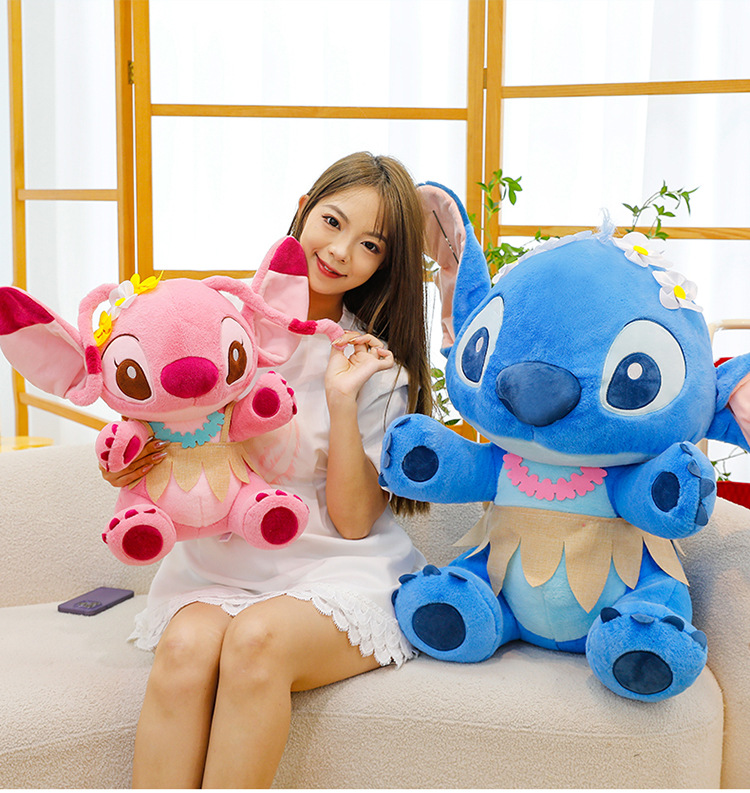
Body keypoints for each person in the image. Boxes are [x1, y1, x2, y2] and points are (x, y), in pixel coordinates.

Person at [102, 151, 434, 788]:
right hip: (220, 565)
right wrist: (135, 459)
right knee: (185, 650)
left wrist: (342, 398)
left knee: (256, 641)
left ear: (384, 265)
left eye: (369, 245)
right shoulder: (221, 324)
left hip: (338, 568)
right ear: (305, 207)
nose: (339, 252)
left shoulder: (374, 363)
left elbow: (355, 522)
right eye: (332, 222)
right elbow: (157, 417)